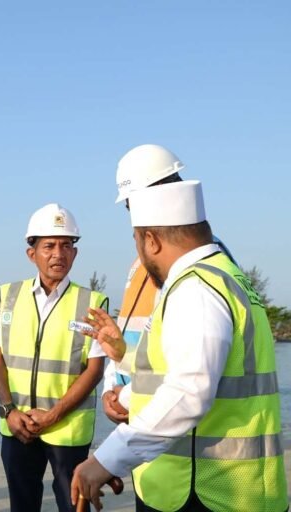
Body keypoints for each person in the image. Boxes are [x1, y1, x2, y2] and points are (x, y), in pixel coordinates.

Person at [71, 180, 288, 511]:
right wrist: (124, 357)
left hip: (209, 491)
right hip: (240, 488)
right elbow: (188, 369)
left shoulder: (195, 289)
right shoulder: (227, 276)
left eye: (136, 241)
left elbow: (189, 390)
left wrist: (107, 459)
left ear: (152, 240)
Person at [0, 203, 109, 512]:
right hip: (18, 426)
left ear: (75, 254)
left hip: (68, 429)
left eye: (66, 246)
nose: (58, 254)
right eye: (49, 246)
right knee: (22, 505)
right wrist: (8, 411)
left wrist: (54, 415)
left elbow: (95, 370)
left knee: (74, 505)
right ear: (32, 253)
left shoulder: (92, 302)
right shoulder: (9, 296)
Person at [103, 144, 234, 423]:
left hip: (172, 425)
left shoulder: (199, 266)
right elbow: (137, 343)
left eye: (132, 204)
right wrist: (110, 388)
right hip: (143, 416)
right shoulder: (139, 265)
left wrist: (127, 398)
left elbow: (189, 377)